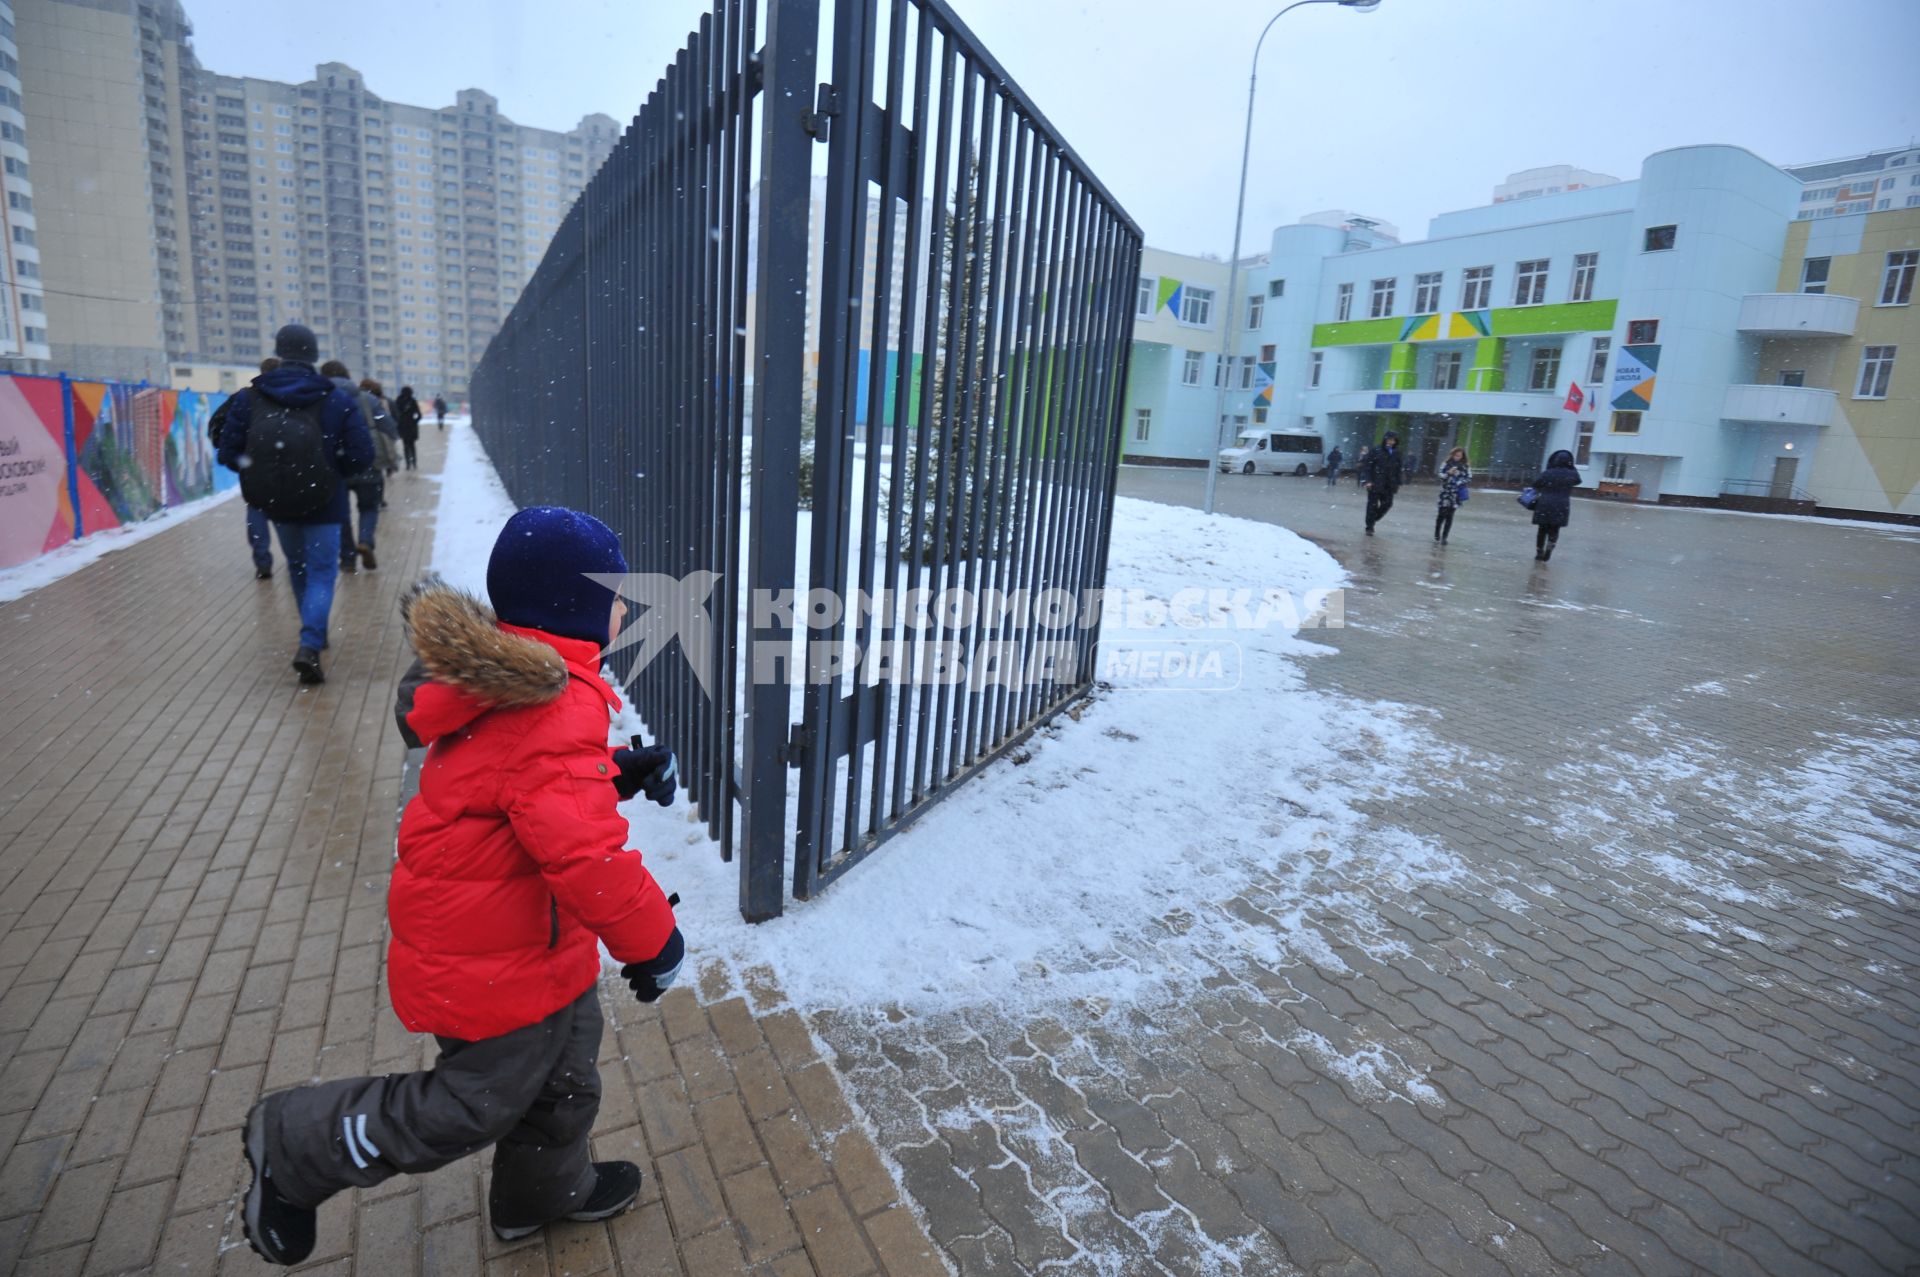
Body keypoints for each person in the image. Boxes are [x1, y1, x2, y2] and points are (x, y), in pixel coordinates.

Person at [239, 507, 686, 1267]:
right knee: (471, 1104)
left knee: (567, 1075)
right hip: (493, 953)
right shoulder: (550, 701)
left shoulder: (526, 679)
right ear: (570, 604)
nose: (625, 605)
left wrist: (617, 773)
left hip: (529, 939)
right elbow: (582, 851)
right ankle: (296, 1142)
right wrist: (656, 942)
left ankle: (541, 1192)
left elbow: (529, 791)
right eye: (615, 590)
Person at [216, 325, 374, 685]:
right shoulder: (334, 399)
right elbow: (362, 453)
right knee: (322, 572)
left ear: (280, 351)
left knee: (298, 567)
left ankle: (312, 634)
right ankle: (310, 641)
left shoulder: (251, 398)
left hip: (277, 502)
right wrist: (333, 473)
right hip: (325, 502)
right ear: (313, 354)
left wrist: (261, 472)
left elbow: (228, 451)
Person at [209, 356, 281, 579]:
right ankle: (296, 557)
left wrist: (234, 459)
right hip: (287, 463)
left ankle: (262, 561)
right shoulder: (291, 397)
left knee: (257, 509)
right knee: (289, 511)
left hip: (253, 464)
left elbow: (220, 426)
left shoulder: (245, 397)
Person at [320, 361, 395, 572]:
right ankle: (365, 541)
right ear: (348, 375)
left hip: (334, 465)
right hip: (366, 460)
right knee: (369, 506)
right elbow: (388, 425)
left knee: (340, 512)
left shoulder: (320, 400)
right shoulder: (367, 399)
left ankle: (347, 557)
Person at [1529, 448, 1583, 561]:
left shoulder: (1548, 473)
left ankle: (1539, 552)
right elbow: (1578, 481)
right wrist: (1571, 467)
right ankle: (1550, 546)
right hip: (1561, 504)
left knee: (1542, 530)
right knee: (1555, 529)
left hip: (1544, 503)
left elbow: (1535, 484)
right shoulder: (1571, 474)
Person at [1360, 432, 1403, 536]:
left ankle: (1374, 519)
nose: (1390, 442)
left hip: (1389, 485)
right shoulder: (1376, 450)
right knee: (1372, 505)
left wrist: (1398, 482)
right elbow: (1367, 466)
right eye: (1389, 440)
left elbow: (1398, 469)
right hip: (1375, 483)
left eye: (1393, 440)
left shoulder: (1396, 453)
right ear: (1385, 440)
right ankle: (1369, 527)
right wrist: (1368, 481)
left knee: (1387, 504)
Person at [1434, 447, 1471, 544]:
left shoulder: (1465, 466)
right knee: (1441, 515)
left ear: (1462, 457)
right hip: (1445, 493)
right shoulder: (1446, 464)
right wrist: (1448, 473)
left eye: (1459, 456)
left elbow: (1468, 477)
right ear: (1452, 455)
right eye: (1456, 455)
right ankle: (1437, 533)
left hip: (1456, 494)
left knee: (1450, 516)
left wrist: (1459, 481)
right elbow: (1440, 475)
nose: (1457, 457)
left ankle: (1444, 537)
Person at [392, 385, 423, 470]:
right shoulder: (412, 401)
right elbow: (420, 415)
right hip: (411, 426)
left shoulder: (398, 401)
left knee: (405, 445)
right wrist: (414, 421)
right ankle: (414, 463)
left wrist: (399, 421)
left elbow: (395, 414)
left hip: (402, 426)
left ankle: (408, 464)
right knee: (412, 445)